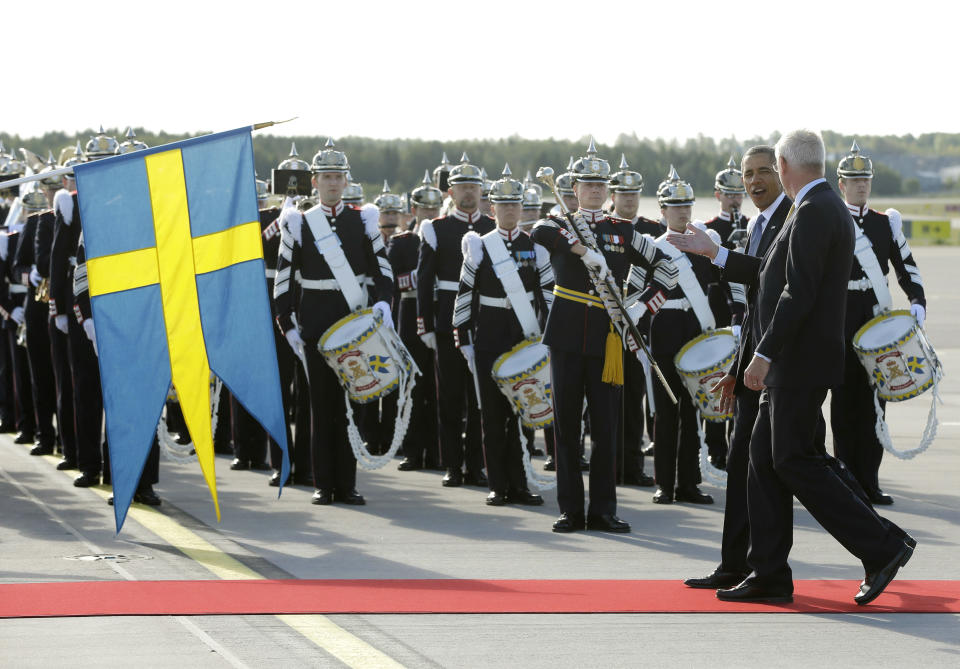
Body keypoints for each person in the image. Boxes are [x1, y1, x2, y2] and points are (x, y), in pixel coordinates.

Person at [670, 129, 914, 605]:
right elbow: (768, 275)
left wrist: (762, 357)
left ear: (783, 165)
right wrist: (712, 252)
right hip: (794, 362)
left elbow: (794, 293)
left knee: (793, 460)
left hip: (797, 363)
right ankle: (769, 573)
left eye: (769, 168)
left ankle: (882, 545)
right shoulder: (815, 208)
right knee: (763, 462)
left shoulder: (814, 211)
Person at [531, 139, 677, 534]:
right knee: (565, 428)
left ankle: (603, 510)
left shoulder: (623, 231)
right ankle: (569, 510)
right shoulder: (560, 222)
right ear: (574, 188)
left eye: (600, 185)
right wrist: (580, 250)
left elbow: (668, 270)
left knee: (606, 427)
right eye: (587, 184)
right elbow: (538, 232)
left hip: (607, 337)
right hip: (564, 335)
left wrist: (640, 308)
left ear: (608, 191)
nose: (594, 190)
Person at [682, 145, 793, 589]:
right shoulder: (756, 223)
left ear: (782, 174)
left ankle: (879, 542)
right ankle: (735, 565)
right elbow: (755, 309)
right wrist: (739, 364)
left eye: (764, 171)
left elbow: (778, 287)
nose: (754, 181)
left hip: (781, 369)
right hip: (754, 365)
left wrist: (717, 255)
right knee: (741, 464)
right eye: (748, 174)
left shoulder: (791, 218)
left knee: (784, 467)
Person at [275, 139, 394, 506]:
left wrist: (384, 304)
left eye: (337, 177)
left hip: (353, 322)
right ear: (314, 182)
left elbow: (381, 268)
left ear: (345, 182)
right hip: (315, 321)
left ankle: (348, 483)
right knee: (321, 406)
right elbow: (283, 277)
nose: (330, 183)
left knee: (354, 403)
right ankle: (323, 483)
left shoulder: (362, 220)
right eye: (324, 177)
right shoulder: (298, 223)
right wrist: (287, 323)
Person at [629, 167, 737, 505]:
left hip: (695, 333)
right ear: (662, 211)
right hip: (663, 333)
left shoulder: (704, 245)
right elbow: (633, 296)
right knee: (665, 411)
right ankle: (666, 483)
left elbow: (726, 285)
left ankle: (689, 483)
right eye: (675, 206)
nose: (682, 211)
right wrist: (638, 335)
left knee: (693, 410)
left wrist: (735, 319)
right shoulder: (649, 248)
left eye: (686, 205)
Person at [832, 141, 926, 505]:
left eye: (866, 180)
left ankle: (869, 481)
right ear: (841, 184)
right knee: (843, 404)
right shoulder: (830, 221)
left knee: (875, 404)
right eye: (854, 181)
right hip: (839, 321)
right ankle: (845, 481)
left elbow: (907, 265)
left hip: (876, 322)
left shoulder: (885, 223)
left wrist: (917, 300)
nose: (861, 186)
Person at [453, 165, 552, 506]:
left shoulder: (535, 247)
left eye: (515, 205)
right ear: (491, 209)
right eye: (503, 205)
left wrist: (550, 338)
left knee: (524, 414)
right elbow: (464, 295)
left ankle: (520, 484)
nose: (510, 211)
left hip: (524, 338)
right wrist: (463, 337)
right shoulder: (480, 246)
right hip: (490, 337)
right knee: (492, 416)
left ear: (522, 209)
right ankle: (498, 484)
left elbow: (549, 297)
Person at [416, 153, 495, 488]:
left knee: (482, 398)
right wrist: (426, 325)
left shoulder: (493, 228)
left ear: (481, 191)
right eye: (461, 186)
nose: (468, 193)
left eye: (473, 187)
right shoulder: (437, 229)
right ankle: (452, 464)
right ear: (449, 192)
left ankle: (477, 465)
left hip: (486, 321)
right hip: (449, 323)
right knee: (449, 397)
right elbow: (424, 281)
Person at [609, 155, 657, 487]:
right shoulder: (602, 228)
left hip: (642, 325)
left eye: (634, 194)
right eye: (623, 194)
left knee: (636, 397)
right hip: (607, 324)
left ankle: (633, 465)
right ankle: (610, 464)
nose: (629, 199)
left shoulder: (653, 230)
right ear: (613, 195)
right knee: (607, 399)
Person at [702, 157, 751, 469]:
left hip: (746, 315)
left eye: (738, 194)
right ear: (718, 195)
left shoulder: (752, 225)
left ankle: (739, 445)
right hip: (720, 314)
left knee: (743, 383)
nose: (735, 199)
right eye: (729, 194)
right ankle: (715, 446)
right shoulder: (708, 230)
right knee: (718, 379)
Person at [392, 172, 441, 471]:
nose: (430, 214)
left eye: (435, 210)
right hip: (410, 317)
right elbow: (394, 280)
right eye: (424, 209)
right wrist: (424, 277)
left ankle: (436, 452)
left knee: (437, 390)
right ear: (414, 211)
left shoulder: (449, 238)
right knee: (411, 388)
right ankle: (412, 450)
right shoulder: (403, 243)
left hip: (438, 315)